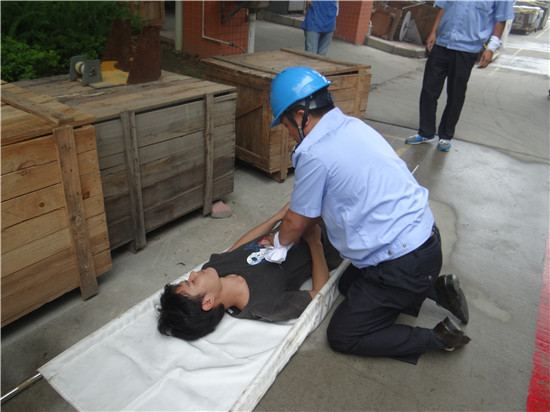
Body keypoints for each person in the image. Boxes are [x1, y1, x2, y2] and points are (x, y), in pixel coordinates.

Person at [266, 66, 470, 364]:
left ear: (300, 116)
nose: (287, 134)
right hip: (424, 240)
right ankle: (437, 288)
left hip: (404, 262)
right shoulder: (352, 126)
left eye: (285, 125)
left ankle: (437, 337)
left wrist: (277, 242)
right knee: (347, 285)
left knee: (343, 335)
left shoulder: (313, 152)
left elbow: (295, 223)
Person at [157, 203, 342, 341]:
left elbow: (239, 248)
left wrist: (277, 217)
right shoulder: (265, 305)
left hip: (296, 221)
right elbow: (320, 294)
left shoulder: (214, 269)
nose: (192, 274)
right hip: (331, 237)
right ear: (208, 302)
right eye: (192, 282)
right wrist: (314, 241)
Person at [405, 1, 514, 152]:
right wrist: (433, 32)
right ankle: (426, 132)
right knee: (429, 90)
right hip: (442, 44)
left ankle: (445, 136)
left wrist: (491, 48)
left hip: (467, 50)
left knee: (456, 94)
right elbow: (443, 8)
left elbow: (500, 20)